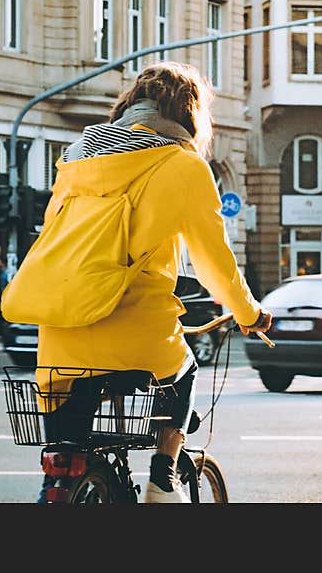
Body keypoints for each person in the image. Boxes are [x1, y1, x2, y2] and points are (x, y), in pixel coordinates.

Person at [33, 61, 272, 503]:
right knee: (183, 373)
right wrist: (248, 313)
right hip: (136, 328)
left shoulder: (74, 157)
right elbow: (212, 262)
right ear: (189, 114)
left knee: (68, 442)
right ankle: (162, 481)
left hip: (59, 328)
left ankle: (59, 483)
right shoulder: (184, 167)